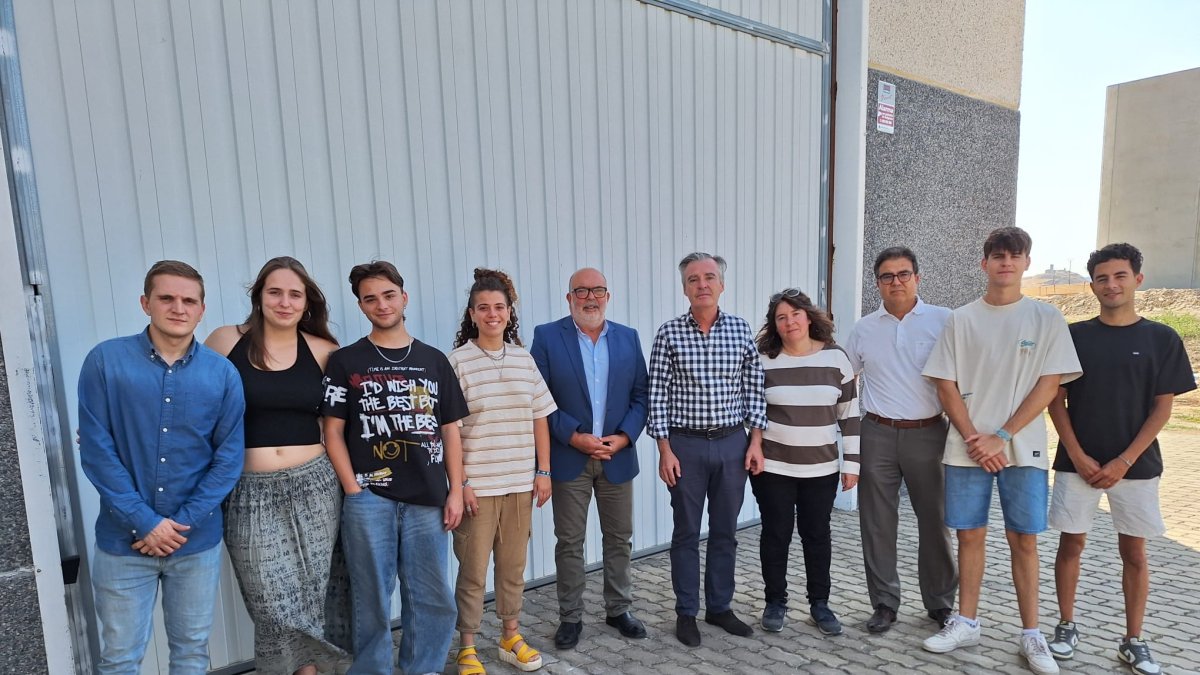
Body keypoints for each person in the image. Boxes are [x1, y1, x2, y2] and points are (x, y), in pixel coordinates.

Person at [921, 227, 1081, 675]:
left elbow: (1050, 384)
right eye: (997, 256)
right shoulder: (961, 319)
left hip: (1022, 449)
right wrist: (975, 436)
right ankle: (966, 621)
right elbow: (944, 381)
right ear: (984, 264)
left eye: (1014, 255)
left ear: (1027, 262)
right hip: (966, 449)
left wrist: (1003, 436)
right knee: (968, 535)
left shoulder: (1046, 318)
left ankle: (1031, 634)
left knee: (1023, 540)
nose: (1005, 263)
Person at [78, 260, 245, 674]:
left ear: (202, 310)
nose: (178, 308)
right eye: (166, 298)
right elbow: (97, 451)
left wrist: (180, 524)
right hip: (122, 544)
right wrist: (145, 521)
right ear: (145, 302)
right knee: (119, 658)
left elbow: (228, 459)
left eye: (189, 300)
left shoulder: (222, 374)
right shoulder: (105, 362)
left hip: (195, 542)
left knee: (191, 653)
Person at [1045, 243, 1194, 675]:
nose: (1111, 284)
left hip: (1137, 467)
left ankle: (1133, 640)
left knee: (1135, 553)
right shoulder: (1074, 337)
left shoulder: (1161, 338)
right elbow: (1056, 401)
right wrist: (1077, 454)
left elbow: (1162, 409)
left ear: (1137, 280)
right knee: (1070, 545)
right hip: (1078, 465)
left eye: (1120, 276)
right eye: (1102, 278)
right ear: (1091, 286)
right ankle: (1066, 626)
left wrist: (1124, 461)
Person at [321, 261, 468, 675]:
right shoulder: (345, 361)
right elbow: (332, 431)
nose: (381, 304)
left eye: (388, 295)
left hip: (427, 499)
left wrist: (455, 489)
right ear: (361, 306)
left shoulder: (433, 360)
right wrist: (352, 489)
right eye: (370, 298)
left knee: (432, 596)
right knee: (371, 597)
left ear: (403, 297)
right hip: (370, 499)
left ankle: (423, 668)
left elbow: (450, 431)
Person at [205, 256, 348, 674]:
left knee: (312, 594)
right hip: (249, 489)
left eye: (294, 294)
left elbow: (340, 426)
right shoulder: (224, 341)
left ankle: (309, 671)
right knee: (269, 601)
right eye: (275, 292)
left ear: (307, 303)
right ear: (259, 297)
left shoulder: (324, 350)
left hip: (316, 487)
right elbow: (192, 402)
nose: (284, 302)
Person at [648, 251, 768, 647]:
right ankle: (686, 612)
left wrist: (755, 441)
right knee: (685, 531)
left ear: (721, 284)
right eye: (694, 279)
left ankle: (719, 607)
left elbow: (754, 387)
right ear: (684, 288)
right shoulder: (668, 333)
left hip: (732, 443)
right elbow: (657, 395)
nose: (702, 284)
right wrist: (664, 449)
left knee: (725, 531)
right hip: (685, 446)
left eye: (709, 277)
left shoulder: (739, 330)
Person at [530, 267, 650, 650]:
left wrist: (625, 436)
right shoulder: (547, 337)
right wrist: (574, 436)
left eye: (598, 290)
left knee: (619, 538)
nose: (590, 298)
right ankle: (571, 618)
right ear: (569, 299)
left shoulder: (629, 338)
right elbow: (538, 397)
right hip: (570, 458)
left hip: (617, 456)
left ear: (608, 296)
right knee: (569, 542)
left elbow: (641, 396)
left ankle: (618, 609)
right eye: (581, 291)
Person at [448, 268, 557, 675]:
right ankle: (468, 647)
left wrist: (543, 471)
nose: (492, 314)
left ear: (510, 313)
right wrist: (460, 484)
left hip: (518, 485)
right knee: (473, 572)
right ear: (472, 314)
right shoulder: (457, 362)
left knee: (512, 569)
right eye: (483, 308)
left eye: (499, 307)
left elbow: (540, 418)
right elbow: (451, 433)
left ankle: (510, 636)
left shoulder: (524, 359)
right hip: (478, 487)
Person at [844, 247, 956, 634]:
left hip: (930, 433)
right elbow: (842, 380)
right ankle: (884, 604)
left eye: (903, 274)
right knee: (876, 523)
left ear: (917, 278)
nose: (896, 282)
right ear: (877, 283)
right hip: (876, 432)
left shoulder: (943, 321)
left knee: (936, 521)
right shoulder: (863, 329)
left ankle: (941, 604)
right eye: (887, 276)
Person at [745, 288, 860, 636]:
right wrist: (755, 447)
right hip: (773, 468)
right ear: (775, 325)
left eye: (795, 314)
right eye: (781, 317)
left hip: (821, 469)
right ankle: (775, 602)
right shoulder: (763, 360)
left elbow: (850, 415)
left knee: (816, 535)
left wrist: (852, 464)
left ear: (808, 317)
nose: (789, 321)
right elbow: (752, 411)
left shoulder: (836, 360)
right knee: (775, 534)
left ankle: (819, 604)